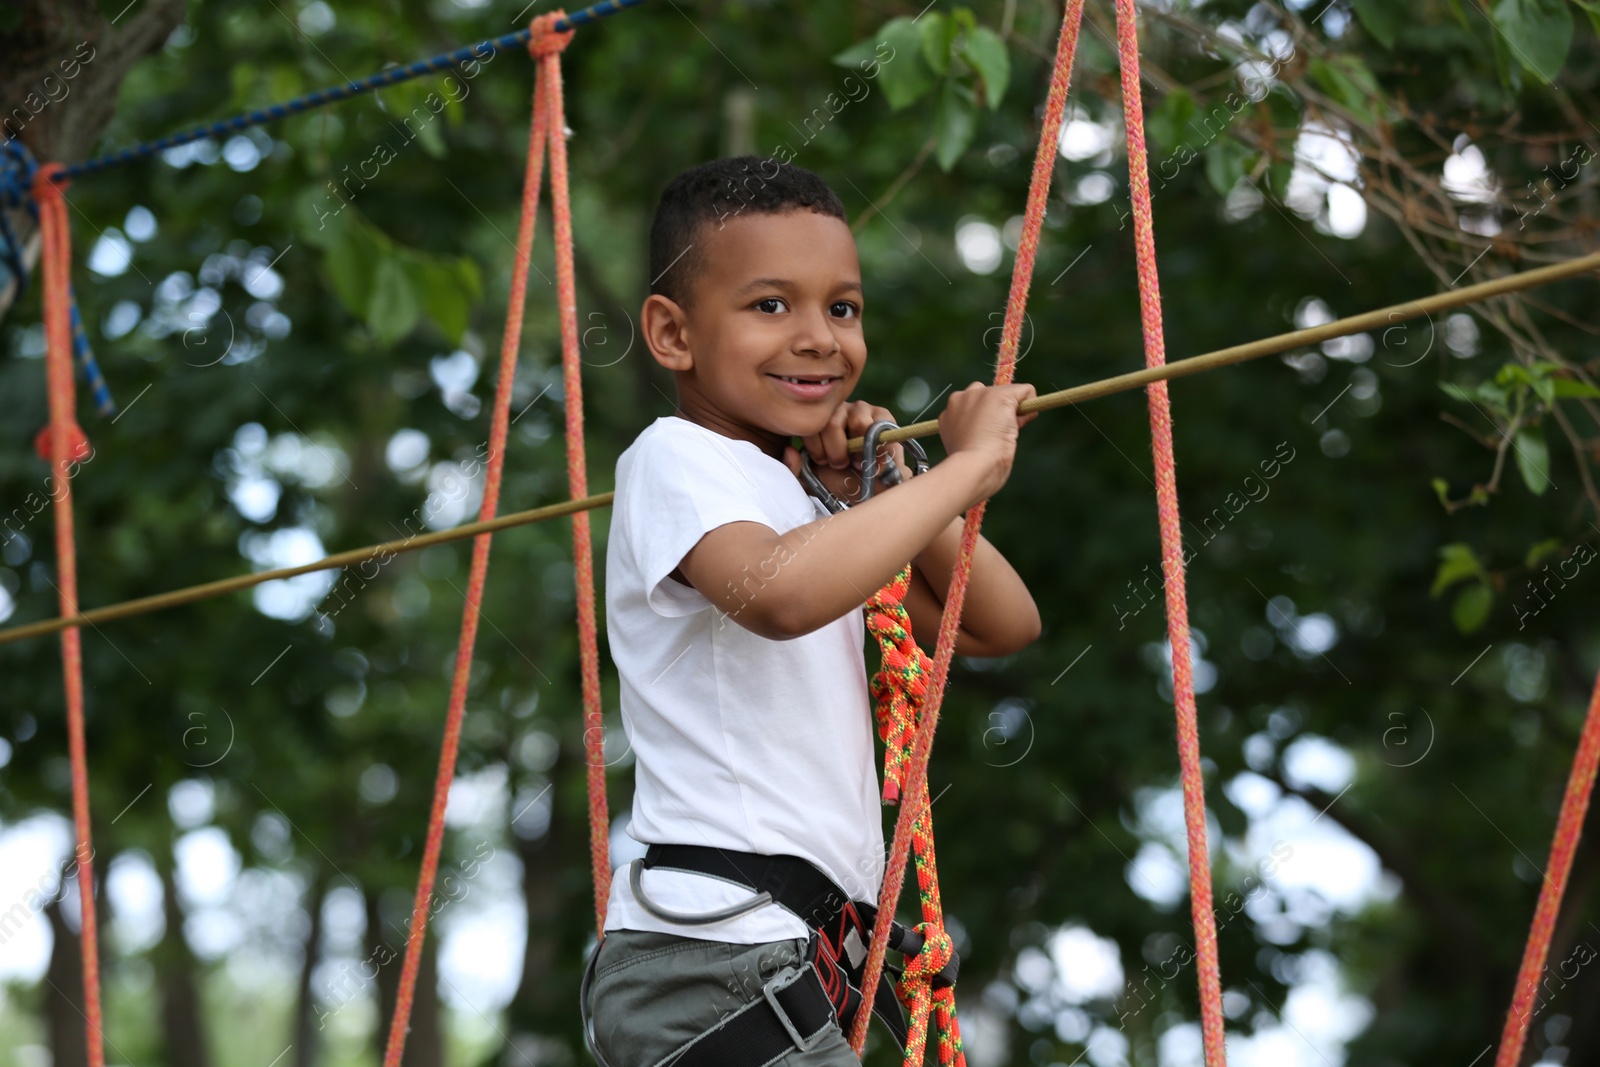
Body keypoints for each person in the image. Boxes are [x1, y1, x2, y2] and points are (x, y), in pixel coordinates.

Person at [581, 155, 1041, 1067]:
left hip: (778, 955)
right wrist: (968, 469)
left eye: (842, 307)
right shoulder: (672, 458)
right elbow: (777, 595)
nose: (821, 338)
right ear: (674, 334)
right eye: (770, 306)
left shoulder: (801, 506)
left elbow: (997, 624)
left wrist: (896, 489)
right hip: (710, 957)